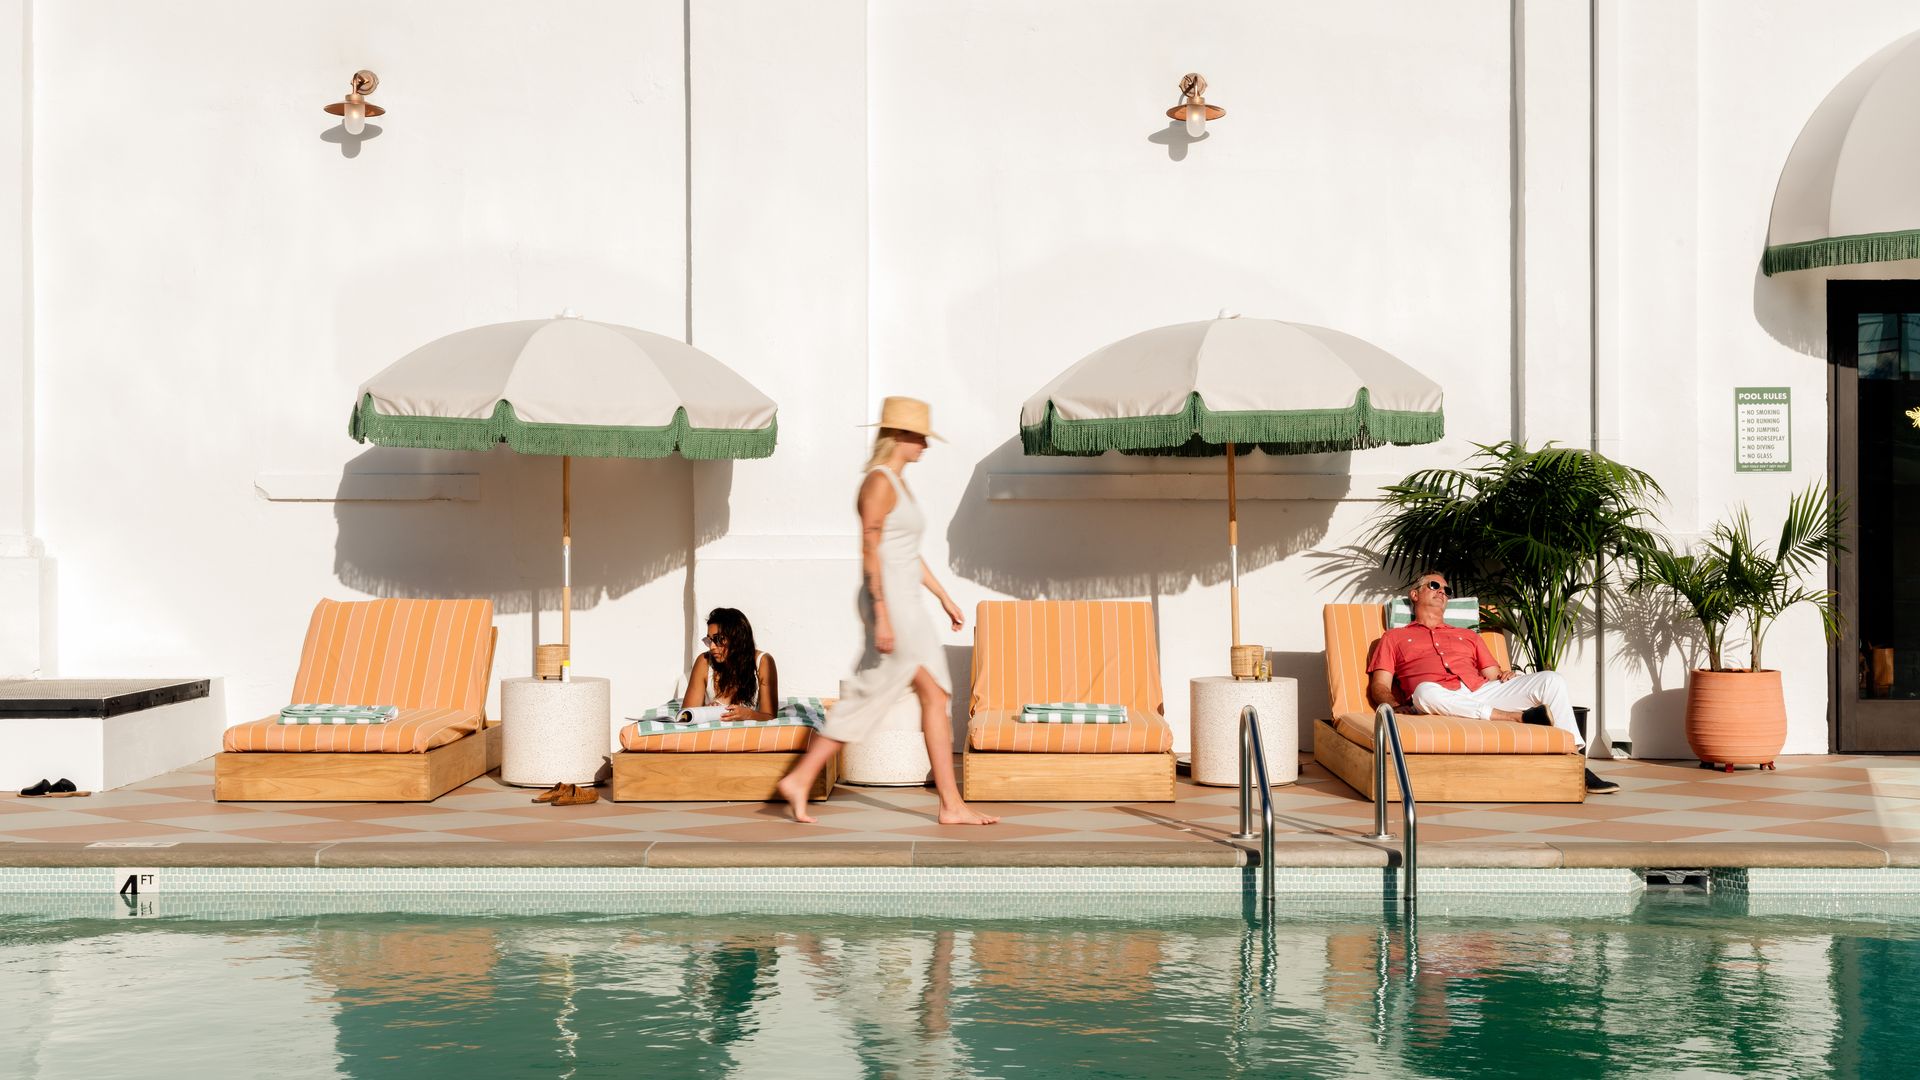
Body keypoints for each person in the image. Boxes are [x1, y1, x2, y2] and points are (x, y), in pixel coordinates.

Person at [777, 396, 999, 826]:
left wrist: (943, 596)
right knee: (874, 693)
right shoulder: (878, 483)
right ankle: (802, 777)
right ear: (898, 436)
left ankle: (950, 804)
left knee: (934, 695)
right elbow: (870, 549)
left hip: (907, 602)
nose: (925, 447)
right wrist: (881, 612)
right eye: (920, 438)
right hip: (891, 603)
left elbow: (906, 554)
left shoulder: (898, 483)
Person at [1366, 571, 1620, 795]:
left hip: (1481, 691)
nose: (1442, 592)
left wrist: (1505, 675)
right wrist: (1394, 706)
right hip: (1438, 696)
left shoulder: (1467, 635)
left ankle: (1577, 765)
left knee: (1551, 680)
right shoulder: (1394, 637)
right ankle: (1515, 717)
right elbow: (1379, 684)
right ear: (1414, 594)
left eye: (1447, 590)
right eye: (1434, 586)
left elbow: (1492, 673)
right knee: (1423, 692)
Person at [683, 607, 779, 721]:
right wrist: (706, 711)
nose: (712, 646)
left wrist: (748, 715)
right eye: (709, 640)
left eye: (718, 639)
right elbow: (686, 716)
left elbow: (770, 717)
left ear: (737, 638)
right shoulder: (704, 662)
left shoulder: (763, 662)